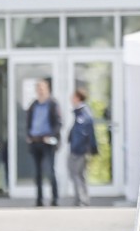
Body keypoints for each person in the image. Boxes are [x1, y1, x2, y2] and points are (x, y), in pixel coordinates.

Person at [24, 78, 63, 206]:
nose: (40, 90)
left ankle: (55, 198)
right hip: (35, 141)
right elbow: (29, 122)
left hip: (48, 141)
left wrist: (51, 135)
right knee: (38, 172)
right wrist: (29, 135)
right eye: (38, 88)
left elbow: (58, 123)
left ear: (47, 89)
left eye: (42, 88)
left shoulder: (53, 104)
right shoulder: (33, 105)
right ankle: (39, 199)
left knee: (50, 171)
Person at [66, 87, 99, 207]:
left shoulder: (83, 114)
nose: (71, 99)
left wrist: (77, 147)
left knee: (76, 174)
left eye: (72, 97)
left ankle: (81, 200)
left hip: (79, 150)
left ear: (77, 98)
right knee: (79, 174)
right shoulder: (80, 113)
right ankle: (82, 199)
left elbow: (84, 133)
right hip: (80, 149)